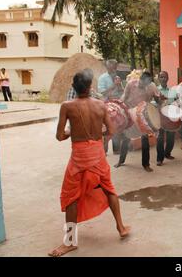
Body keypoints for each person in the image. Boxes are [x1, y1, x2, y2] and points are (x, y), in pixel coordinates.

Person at [49, 70, 130, 257]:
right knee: (109, 189)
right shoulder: (101, 105)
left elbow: (60, 136)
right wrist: (96, 134)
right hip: (97, 153)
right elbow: (111, 129)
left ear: (73, 87)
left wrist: (72, 131)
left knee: (71, 197)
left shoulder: (67, 106)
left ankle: (70, 242)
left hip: (79, 156)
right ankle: (121, 227)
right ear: (90, 86)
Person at [115, 71, 161, 172]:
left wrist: (160, 100)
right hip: (130, 113)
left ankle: (146, 164)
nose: (143, 85)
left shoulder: (152, 86)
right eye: (142, 83)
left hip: (143, 116)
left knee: (145, 140)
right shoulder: (131, 84)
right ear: (140, 79)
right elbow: (124, 97)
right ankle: (121, 161)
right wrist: (120, 108)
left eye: (146, 84)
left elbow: (157, 98)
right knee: (126, 138)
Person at [98, 60, 123, 155]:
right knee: (106, 127)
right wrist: (114, 85)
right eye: (111, 67)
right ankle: (104, 150)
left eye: (115, 67)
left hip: (116, 104)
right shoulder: (102, 78)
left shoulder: (117, 77)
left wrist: (120, 85)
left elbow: (121, 91)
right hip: (106, 104)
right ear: (107, 67)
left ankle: (116, 149)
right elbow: (102, 93)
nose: (113, 69)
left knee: (117, 125)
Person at [156, 71, 177, 166]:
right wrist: (159, 101)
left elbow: (175, 103)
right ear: (158, 79)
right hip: (160, 117)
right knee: (160, 138)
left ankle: (167, 153)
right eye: (161, 77)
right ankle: (159, 159)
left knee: (171, 137)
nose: (163, 79)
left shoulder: (171, 91)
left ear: (168, 78)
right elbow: (151, 104)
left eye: (165, 77)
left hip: (170, 117)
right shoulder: (155, 91)